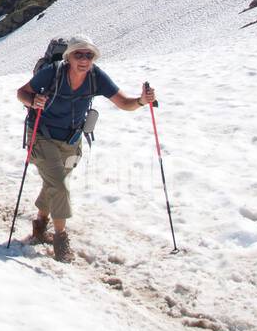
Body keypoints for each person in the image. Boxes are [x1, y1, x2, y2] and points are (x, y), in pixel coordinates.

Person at [14, 36, 156, 262]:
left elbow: (124, 103)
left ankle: (40, 225)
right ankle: (61, 239)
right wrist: (33, 102)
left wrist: (141, 101)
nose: (84, 59)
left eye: (89, 55)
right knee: (59, 185)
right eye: (78, 54)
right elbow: (22, 92)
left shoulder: (95, 77)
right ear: (68, 56)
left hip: (72, 140)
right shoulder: (53, 71)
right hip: (42, 137)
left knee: (55, 184)